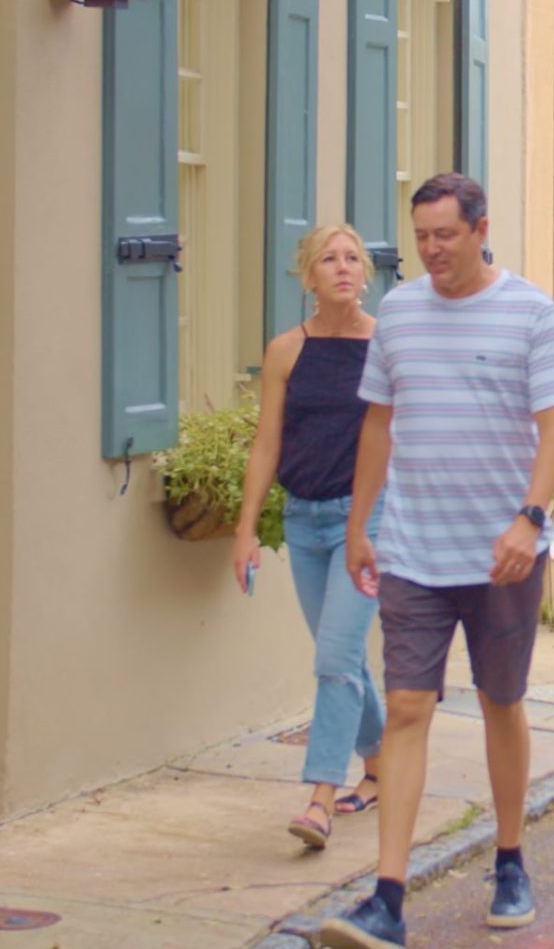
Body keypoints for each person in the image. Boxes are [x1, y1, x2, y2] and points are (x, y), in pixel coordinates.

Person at [320, 174, 554, 949]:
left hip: (503, 553)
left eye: (445, 235)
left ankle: (509, 859)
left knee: (502, 701)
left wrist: (529, 520)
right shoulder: (399, 313)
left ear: (479, 229)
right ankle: (388, 899)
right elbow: (379, 424)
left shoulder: (531, 312)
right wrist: (360, 524)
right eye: (422, 237)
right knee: (407, 708)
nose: (431, 250)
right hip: (413, 546)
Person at [230, 225, 386, 851]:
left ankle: (321, 797)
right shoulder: (285, 351)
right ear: (309, 275)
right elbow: (267, 443)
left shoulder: (385, 346)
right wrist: (244, 531)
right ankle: (381, 767)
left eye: (353, 258)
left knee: (333, 656)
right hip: (304, 518)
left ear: (365, 273)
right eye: (329, 259)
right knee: (341, 656)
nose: (343, 268)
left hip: (366, 520)